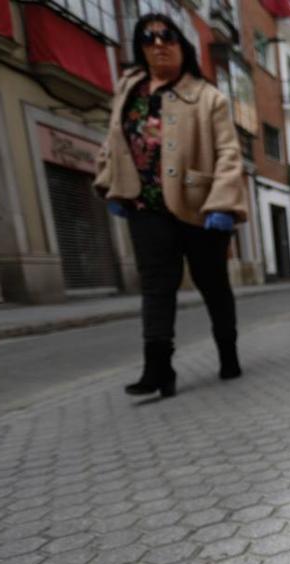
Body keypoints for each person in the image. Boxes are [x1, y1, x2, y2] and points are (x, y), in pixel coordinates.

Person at [94, 13, 247, 398]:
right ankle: (158, 370)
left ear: (182, 44)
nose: (158, 44)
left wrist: (223, 205)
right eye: (148, 38)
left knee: (213, 284)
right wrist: (109, 182)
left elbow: (229, 153)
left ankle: (228, 354)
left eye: (167, 36)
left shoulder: (208, 97)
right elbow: (113, 141)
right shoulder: (129, 90)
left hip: (199, 205)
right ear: (139, 47)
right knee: (156, 287)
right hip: (145, 205)